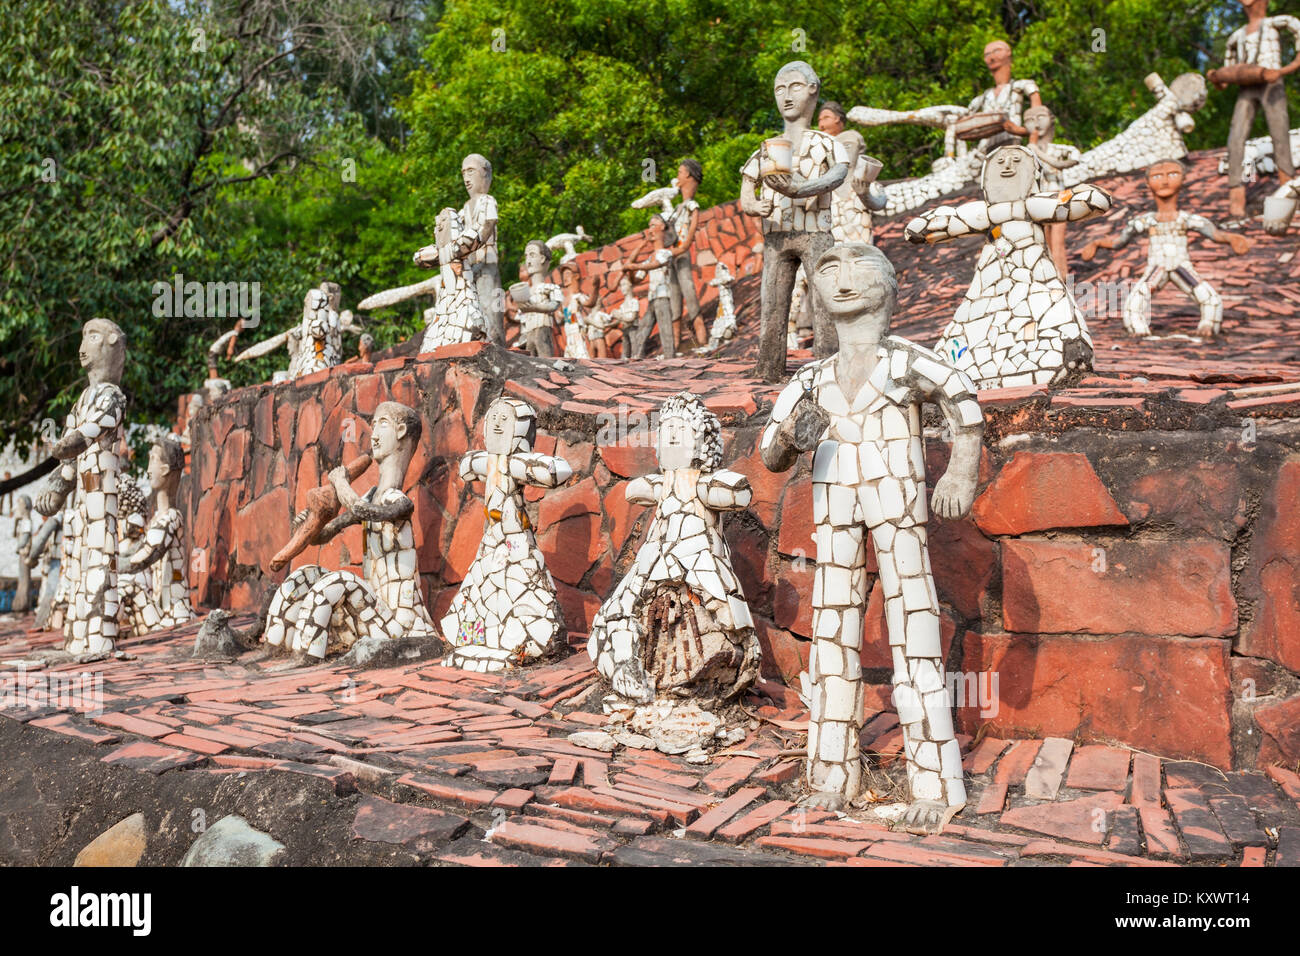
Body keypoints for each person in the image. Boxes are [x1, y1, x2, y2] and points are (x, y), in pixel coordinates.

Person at [760, 243, 984, 833]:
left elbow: (964, 406)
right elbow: (772, 453)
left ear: (889, 283)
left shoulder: (907, 362)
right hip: (833, 512)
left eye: (859, 265)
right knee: (831, 634)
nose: (843, 278)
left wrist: (961, 472)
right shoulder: (812, 377)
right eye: (829, 268)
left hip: (900, 508)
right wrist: (791, 434)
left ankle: (935, 784)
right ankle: (831, 775)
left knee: (915, 632)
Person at [904, 145, 1111, 389]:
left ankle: (1049, 359)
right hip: (991, 276)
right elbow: (916, 230)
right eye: (999, 162)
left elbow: (1096, 200)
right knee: (979, 314)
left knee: (1045, 312)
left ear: (1034, 174)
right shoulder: (983, 213)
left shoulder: (1034, 205)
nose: (1008, 166)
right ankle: (963, 366)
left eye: (1016, 160)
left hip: (1034, 275)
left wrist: (1076, 195)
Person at [264, 402, 437, 660]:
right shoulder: (370, 495)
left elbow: (365, 511)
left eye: (382, 424)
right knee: (302, 577)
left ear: (401, 431)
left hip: (403, 625)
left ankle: (306, 659)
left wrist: (341, 482)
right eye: (374, 425)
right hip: (374, 614)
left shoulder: (399, 501)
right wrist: (310, 523)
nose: (374, 434)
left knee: (336, 583)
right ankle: (274, 648)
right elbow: (324, 536)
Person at [442, 399, 573, 672]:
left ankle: (524, 641)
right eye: (495, 418)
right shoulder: (483, 461)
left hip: (516, 537)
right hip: (491, 538)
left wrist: (527, 462)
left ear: (521, 430)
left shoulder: (516, 463)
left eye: (506, 419)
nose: (499, 424)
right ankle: (474, 637)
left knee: (523, 586)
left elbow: (557, 470)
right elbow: (466, 466)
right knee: (481, 585)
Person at [740, 61, 849, 381]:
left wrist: (803, 188)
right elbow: (748, 185)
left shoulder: (826, 142)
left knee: (824, 300)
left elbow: (838, 174)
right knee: (772, 303)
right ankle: (769, 366)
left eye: (794, 87)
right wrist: (751, 204)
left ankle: (828, 363)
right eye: (779, 90)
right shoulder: (770, 147)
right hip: (776, 234)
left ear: (813, 90)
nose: (786, 96)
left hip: (815, 232)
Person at [34, 318, 128, 654]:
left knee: (100, 565)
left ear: (113, 342)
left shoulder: (112, 396)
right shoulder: (84, 397)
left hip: (102, 499)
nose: (82, 347)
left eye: (91, 336)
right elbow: (69, 463)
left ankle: (100, 640)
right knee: (75, 570)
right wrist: (56, 488)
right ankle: (75, 642)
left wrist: (64, 444)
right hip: (80, 503)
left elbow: (89, 432)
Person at [1081, 159, 1251, 337]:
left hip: (1181, 267)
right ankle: (1138, 329)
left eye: (1172, 174)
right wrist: (1097, 243)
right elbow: (1119, 241)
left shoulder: (1187, 219)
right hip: (1156, 269)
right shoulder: (1145, 221)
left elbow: (1215, 234)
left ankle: (1208, 326)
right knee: (1134, 303)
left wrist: (1232, 238)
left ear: (1183, 179)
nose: (1164, 181)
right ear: (1148, 183)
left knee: (1211, 300)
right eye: (1157, 176)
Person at [1210, 1, 1300, 219]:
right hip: (1246, 87)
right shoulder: (1237, 36)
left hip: (1270, 82)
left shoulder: (1278, 22)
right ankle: (1236, 199)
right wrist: (1217, 77)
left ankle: (1288, 194)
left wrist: (1282, 71)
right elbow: (1228, 72)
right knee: (1236, 137)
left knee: (1280, 135)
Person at [622, 214, 679, 359]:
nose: (650, 229)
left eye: (653, 225)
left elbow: (655, 265)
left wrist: (633, 265)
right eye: (649, 226)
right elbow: (636, 279)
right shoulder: (649, 257)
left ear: (662, 228)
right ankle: (636, 357)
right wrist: (640, 248)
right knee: (643, 329)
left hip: (663, 296)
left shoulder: (665, 253)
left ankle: (670, 358)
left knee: (665, 329)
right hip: (653, 298)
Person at [666, 158, 708, 347]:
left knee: (688, 291)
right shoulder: (677, 208)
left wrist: (679, 249)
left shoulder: (692, 206)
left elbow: (689, 235)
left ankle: (701, 336)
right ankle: (673, 345)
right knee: (674, 296)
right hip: (672, 256)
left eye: (680, 172)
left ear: (689, 175)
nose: (677, 176)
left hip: (681, 255)